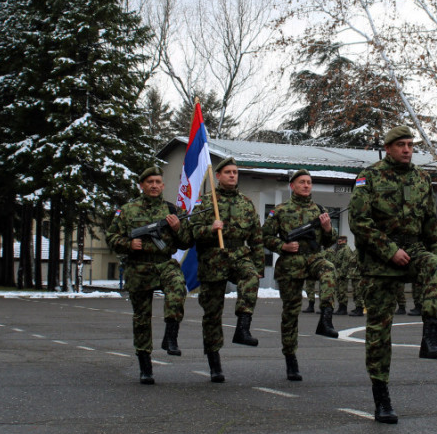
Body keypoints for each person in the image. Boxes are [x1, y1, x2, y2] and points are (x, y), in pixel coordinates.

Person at [348, 126, 437, 424]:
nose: (407, 150)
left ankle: (430, 338)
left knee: (436, 267)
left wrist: (430, 259)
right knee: (379, 330)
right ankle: (381, 397)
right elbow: (359, 221)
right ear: (388, 148)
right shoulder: (370, 176)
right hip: (380, 260)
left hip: (414, 250)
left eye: (410, 145)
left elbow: (430, 223)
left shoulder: (421, 179)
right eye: (401, 145)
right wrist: (389, 250)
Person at [105, 166, 192, 385]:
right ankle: (145, 365)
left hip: (164, 263)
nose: (154, 186)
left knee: (178, 288)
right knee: (141, 318)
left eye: (157, 182)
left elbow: (187, 242)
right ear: (142, 185)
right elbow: (111, 237)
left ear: (163, 185)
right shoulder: (128, 210)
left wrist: (178, 227)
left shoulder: (172, 210)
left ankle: (170, 337)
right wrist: (128, 244)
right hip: (139, 267)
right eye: (149, 182)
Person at [189, 157, 265, 382]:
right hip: (213, 258)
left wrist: (259, 265)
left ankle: (243, 328)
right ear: (218, 176)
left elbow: (256, 238)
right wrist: (210, 229)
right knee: (212, 313)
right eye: (228, 172)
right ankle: (214, 361)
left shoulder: (246, 203)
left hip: (238, 255)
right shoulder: (205, 203)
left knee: (250, 277)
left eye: (235, 172)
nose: (233, 175)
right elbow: (190, 233)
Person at [262, 169, 339, 382]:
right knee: (291, 312)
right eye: (302, 182)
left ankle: (326, 317)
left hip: (313, 257)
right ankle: (290, 357)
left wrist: (327, 228)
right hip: (290, 264)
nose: (306, 185)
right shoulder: (280, 211)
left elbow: (328, 242)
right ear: (292, 186)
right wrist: (283, 245)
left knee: (329, 270)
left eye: (309, 182)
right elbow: (265, 236)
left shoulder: (320, 210)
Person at [332, 236, 360, 315]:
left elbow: (345, 262)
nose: (338, 243)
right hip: (339, 273)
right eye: (338, 241)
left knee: (343, 291)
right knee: (339, 292)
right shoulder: (340, 250)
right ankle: (341, 307)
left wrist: (342, 273)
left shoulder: (346, 249)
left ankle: (343, 308)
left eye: (340, 241)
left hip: (342, 274)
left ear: (345, 241)